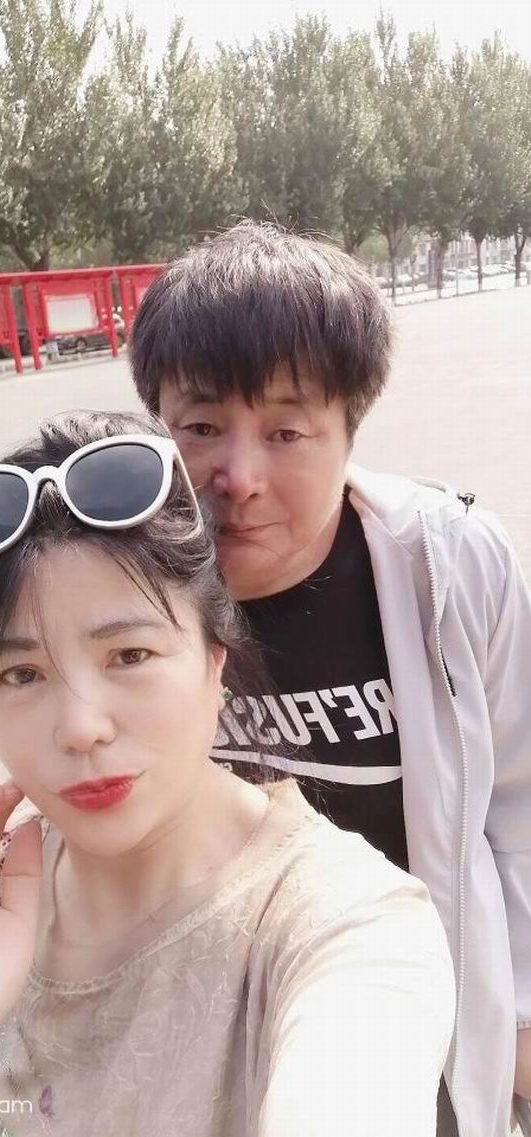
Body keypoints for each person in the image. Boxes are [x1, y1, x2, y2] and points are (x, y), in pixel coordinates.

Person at [0, 410, 454, 1137]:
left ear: (216, 659)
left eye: (130, 655)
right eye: (22, 673)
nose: (81, 726)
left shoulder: (343, 924)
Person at [129, 221, 531, 1137]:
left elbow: (519, 802)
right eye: (201, 427)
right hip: (209, 1043)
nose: (237, 476)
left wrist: (517, 1013)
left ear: (349, 428)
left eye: (286, 430)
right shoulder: (118, 592)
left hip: (428, 1035)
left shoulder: (449, 567)